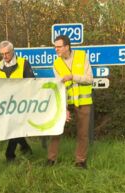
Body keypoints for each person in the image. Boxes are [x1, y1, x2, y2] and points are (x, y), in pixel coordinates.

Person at [47, 35, 93, 169]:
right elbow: (60, 87)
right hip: (66, 101)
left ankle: (80, 161)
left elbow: (90, 79)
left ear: (67, 46)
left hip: (83, 101)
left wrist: (73, 77)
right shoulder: (56, 63)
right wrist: (64, 108)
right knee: (56, 130)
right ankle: (51, 159)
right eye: (55, 47)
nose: (56, 49)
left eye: (59, 46)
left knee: (83, 133)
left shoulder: (81, 56)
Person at [0, 40, 34, 162]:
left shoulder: (24, 63)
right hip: (7, 104)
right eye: (2, 54)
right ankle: (26, 148)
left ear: (13, 51)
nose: (4, 56)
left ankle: (9, 155)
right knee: (13, 128)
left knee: (14, 128)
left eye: (7, 53)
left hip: (21, 104)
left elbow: (32, 83)